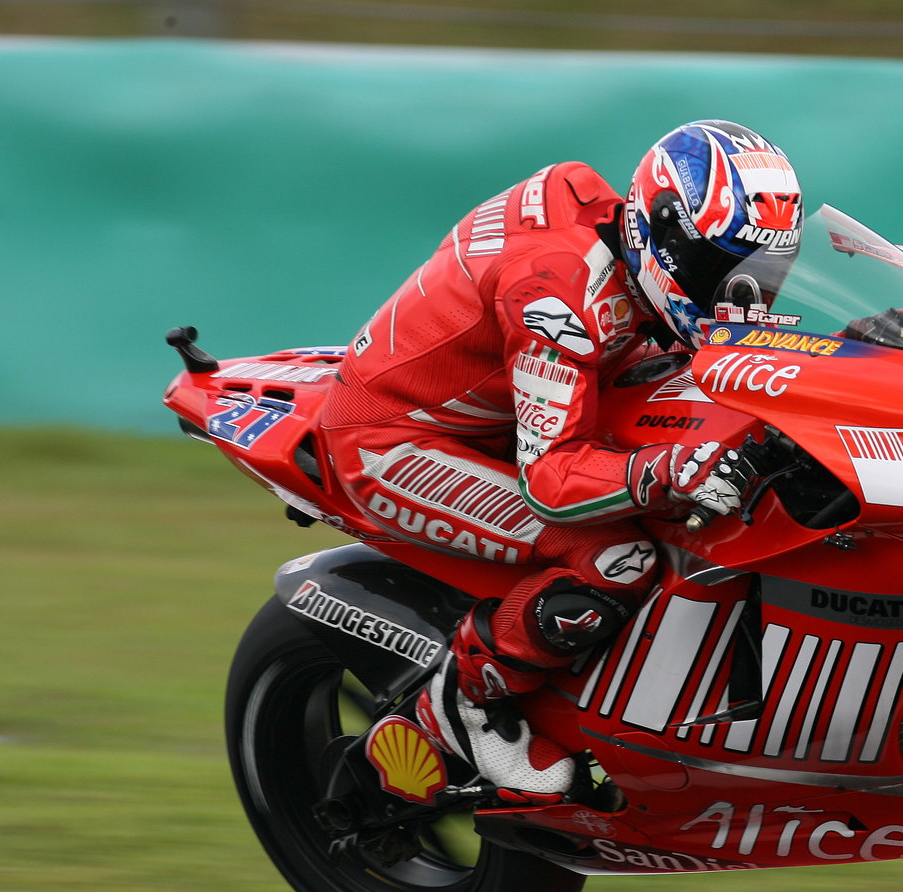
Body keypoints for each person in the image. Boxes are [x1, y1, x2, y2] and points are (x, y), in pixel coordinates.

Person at [319, 120, 803, 803]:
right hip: (393, 441)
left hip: (499, 410)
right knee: (617, 556)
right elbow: (551, 479)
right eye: (728, 271)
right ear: (666, 239)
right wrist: (667, 472)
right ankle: (466, 704)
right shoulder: (559, 294)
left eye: (767, 272)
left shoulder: (629, 254)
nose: (744, 297)